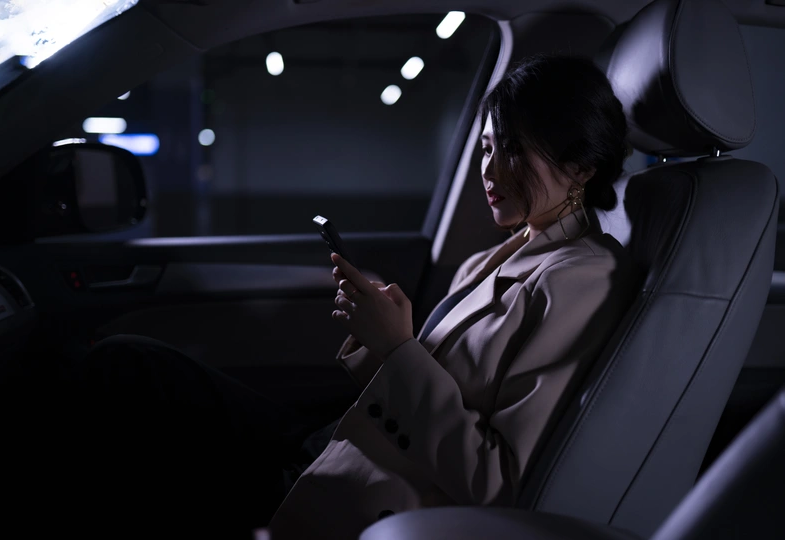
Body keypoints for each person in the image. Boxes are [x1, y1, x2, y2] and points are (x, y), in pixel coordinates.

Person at [35, 53, 639, 537]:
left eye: (511, 150)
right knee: (130, 365)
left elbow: (496, 482)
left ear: (582, 166)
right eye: (485, 148)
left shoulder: (580, 280)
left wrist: (398, 349)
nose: (490, 170)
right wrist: (382, 339)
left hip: (379, 497)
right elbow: (427, 384)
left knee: (125, 391)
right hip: (336, 446)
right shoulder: (496, 256)